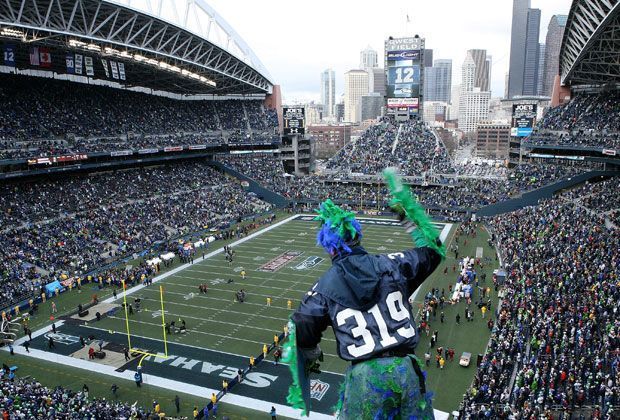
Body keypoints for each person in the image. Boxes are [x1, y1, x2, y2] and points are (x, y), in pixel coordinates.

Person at [288, 199, 442, 418]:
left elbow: (302, 323)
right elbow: (434, 250)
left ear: (329, 248)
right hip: (406, 369)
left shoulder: (322, 288)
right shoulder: (392, 264)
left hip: (364, 378)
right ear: (358, 237)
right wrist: (408, 217)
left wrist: (310, 352)